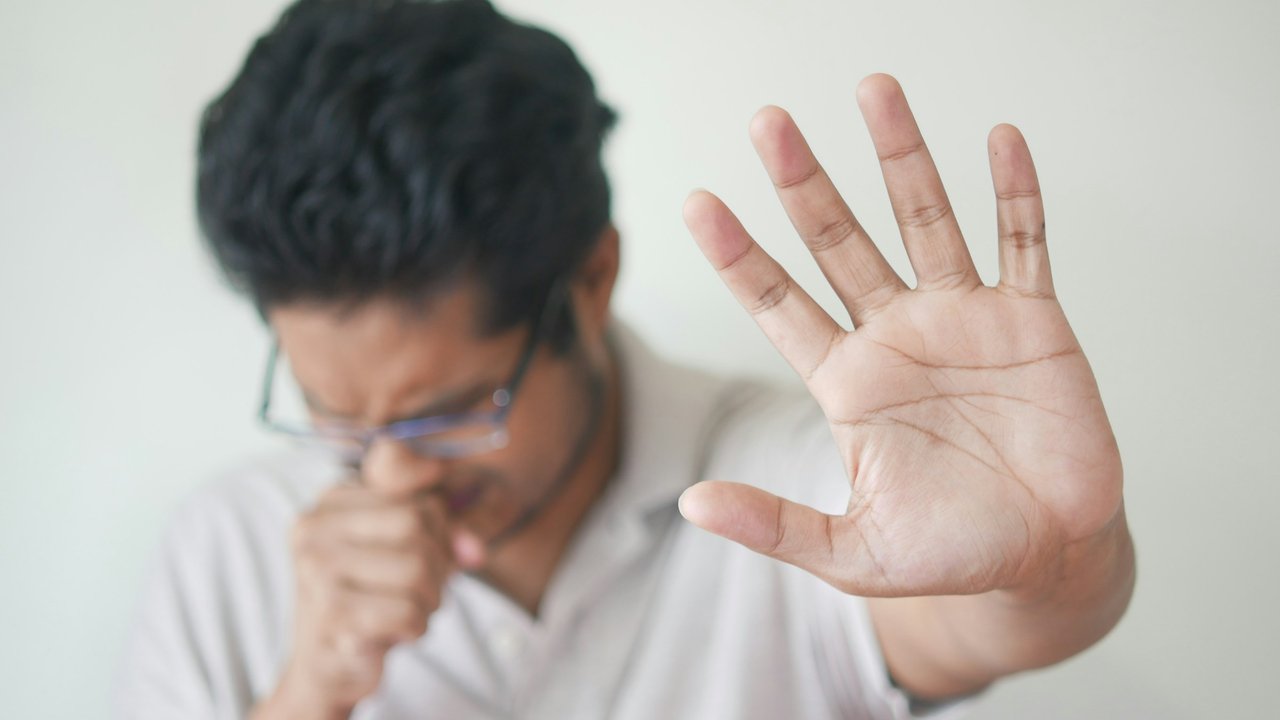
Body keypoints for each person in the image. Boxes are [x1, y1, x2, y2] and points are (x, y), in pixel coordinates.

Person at [115, 0, 1136, 717]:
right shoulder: (228, 549)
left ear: (591, 280)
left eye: (453, 409)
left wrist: (1052, 564)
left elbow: (985, 623)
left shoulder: (794, 482)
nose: (390, 471)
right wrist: (306, 700)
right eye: (333, 414)